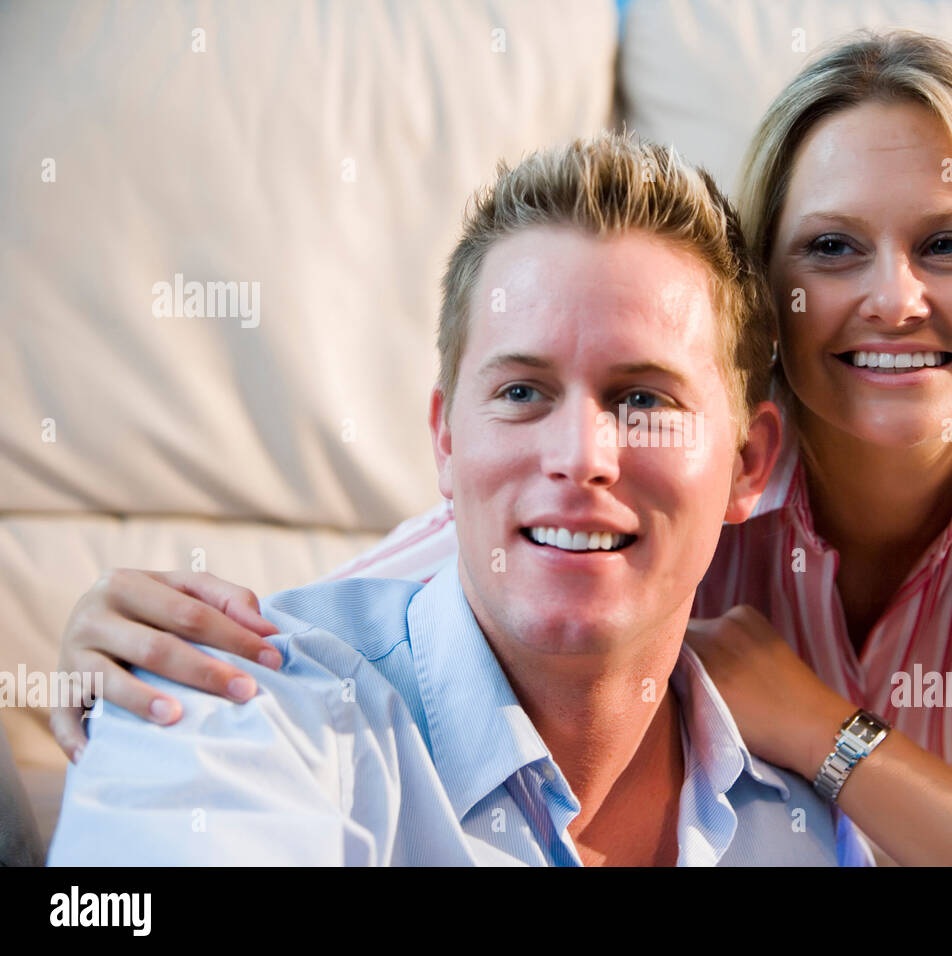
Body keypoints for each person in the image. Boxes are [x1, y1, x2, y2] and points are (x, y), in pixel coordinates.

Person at [53, 30, 952, 866]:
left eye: (947, 244)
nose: (891, 298)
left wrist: (824, 733)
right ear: (768, 313)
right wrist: (133, 653)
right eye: (831, 249)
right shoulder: (672, 456)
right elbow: (433, 586)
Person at [47, 133, 873, 866]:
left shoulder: (809, 824)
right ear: (446, 440)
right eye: (521, 392)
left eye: (644, 401)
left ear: (748, 464)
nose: (579, 458)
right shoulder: (244, 700)